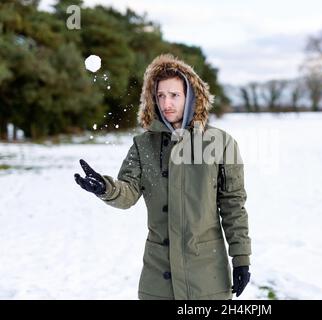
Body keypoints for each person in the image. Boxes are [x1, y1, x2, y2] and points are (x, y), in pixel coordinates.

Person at [74, 54, 251, 300]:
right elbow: (128, 192)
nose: (166, 103)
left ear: (190, 96)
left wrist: (241, 258)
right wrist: (106, 188)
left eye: (174, 95)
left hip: (207, 273)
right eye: (160, 96)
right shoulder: (143, 145)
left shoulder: (220, 143)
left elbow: (233, 204)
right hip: (159, 276)